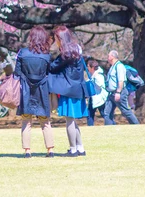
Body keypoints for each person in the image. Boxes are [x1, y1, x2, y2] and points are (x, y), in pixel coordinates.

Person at [14, 26, 54, 158]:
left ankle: (27, 151)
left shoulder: (22, 53)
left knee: (26, 121)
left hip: (26, 89)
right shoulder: (46, 55)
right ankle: (50, 149)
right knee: (45, 121)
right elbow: (49, 72)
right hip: (41, 89)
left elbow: (17, 73)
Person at [49, 26, 87, 157]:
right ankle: (80, 148)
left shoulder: (65, 53)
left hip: (68, 89)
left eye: (56, 38)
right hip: (78, 88)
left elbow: (53, 68)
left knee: (69, 120)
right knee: (73, 120)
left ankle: (73, 149)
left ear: (60, 38)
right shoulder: (77, 50)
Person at [103, 51, 140, 125]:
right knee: (107, 113)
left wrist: (118, 92)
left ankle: (136, 125)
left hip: (119, 92)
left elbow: (121, 80)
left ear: (112, 57)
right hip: (111, 93)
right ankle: (108, 129)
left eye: (108, 56)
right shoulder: (112, 67)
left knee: (125, 111)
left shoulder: (119, 66)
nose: (107, 58)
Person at [86, 60, 108, 126]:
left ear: (92, 68)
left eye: (88, 66)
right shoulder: (92, 75)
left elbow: (100, 84)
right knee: (89, 114)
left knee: (103, 114)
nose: (87, 68)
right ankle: (90, 128)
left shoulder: (98, 75)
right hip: (93, 98)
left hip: (100, 98)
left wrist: (92, 82)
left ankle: (112, 125)